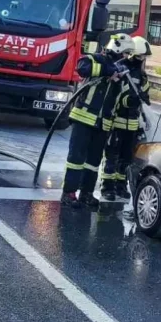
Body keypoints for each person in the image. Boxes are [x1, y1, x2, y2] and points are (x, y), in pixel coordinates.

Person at [60, 33, 134, 209]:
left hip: (103, 124)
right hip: (83, 118)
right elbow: (82, 68)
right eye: (125, 53)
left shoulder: (121, 71)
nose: (125, 57)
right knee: (76, 158)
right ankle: (69, 193)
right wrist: (108, 71)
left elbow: (121, 98)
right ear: (117, 48)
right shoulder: (95, 59)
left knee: (93, 162)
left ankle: (86, 193)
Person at [100, 36, 152, 201]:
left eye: (144, 57)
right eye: (141, 56)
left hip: (133, 124)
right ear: (133, 54)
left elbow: (144, 94)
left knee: (126, 158)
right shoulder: (120, 68)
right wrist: (128, 100)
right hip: (117, 121)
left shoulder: (142, 75)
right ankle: (107, 187)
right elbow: (114, 94)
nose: (143, 60)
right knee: (112, 156)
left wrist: (144, 96)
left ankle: (120, 186)